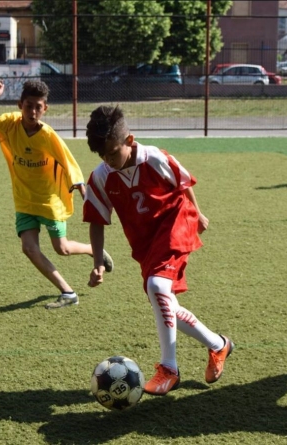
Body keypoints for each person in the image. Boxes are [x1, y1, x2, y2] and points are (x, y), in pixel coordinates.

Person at [83, 105, 234, 396]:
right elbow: (97, 220)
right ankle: (219, 344)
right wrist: (98, 259)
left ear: (129, 141)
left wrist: (198, 214)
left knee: (157, 286)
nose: (108, 161)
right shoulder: (101, 176)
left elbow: (183, 182)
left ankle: (169, 369)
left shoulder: (154, 157)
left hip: (176, 221)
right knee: (165, 302)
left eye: (112, 153)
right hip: (146, 242)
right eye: (102, 156)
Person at [0, 79, 114, 309]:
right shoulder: (9, 124)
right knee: (29, 248)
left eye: (38, 107)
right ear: (20, 105)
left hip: (50, 202)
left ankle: (90, 249)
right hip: (24, 201)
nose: (33, 112)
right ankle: (68, 292)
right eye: (29, 106)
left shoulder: (47, 135)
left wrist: (81, 188)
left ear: (45, 108)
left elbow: (68, 161)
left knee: (62, 249)